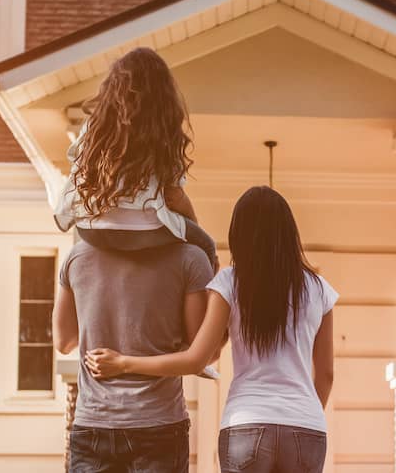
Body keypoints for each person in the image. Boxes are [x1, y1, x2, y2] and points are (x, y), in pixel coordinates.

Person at [85, 186, 337, 473]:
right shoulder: (319, 290)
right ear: (289, 232)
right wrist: (303, 414)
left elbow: (198, 359)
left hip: (246, 423)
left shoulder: (231, 282)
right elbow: (326, 375)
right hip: (306, 426)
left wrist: (124, 363)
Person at [52, 47, 218, 473]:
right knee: (207, 247)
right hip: (159, 426)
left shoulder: (76, 260)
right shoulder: (189, 260)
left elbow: (64, 341)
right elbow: (205, 346)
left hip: (92, 426)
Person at [53, 46, 218, 271]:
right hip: (145, 232)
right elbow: (173, 196)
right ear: (163, 94)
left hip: (94, 231)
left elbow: (77, 174)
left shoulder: (95, 128)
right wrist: (192, 226)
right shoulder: (161, 129)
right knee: (207, 247)